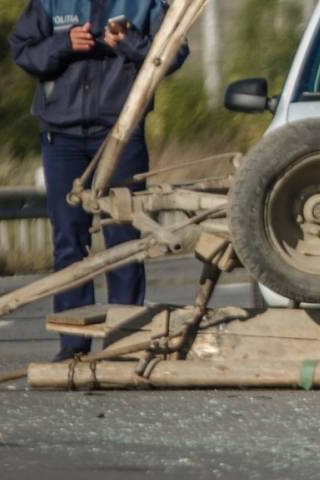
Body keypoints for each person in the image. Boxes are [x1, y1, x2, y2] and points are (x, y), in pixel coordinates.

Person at [10, 1, 189, 361]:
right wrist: (64, 44)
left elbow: (175, 53)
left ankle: (124, 342)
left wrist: (128, 42)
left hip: (122, 134)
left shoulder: (146, 4)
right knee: (69, 243)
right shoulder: (50, 2)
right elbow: (23, 51)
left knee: (124, 239)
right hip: (62, 138)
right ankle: (73, 345)